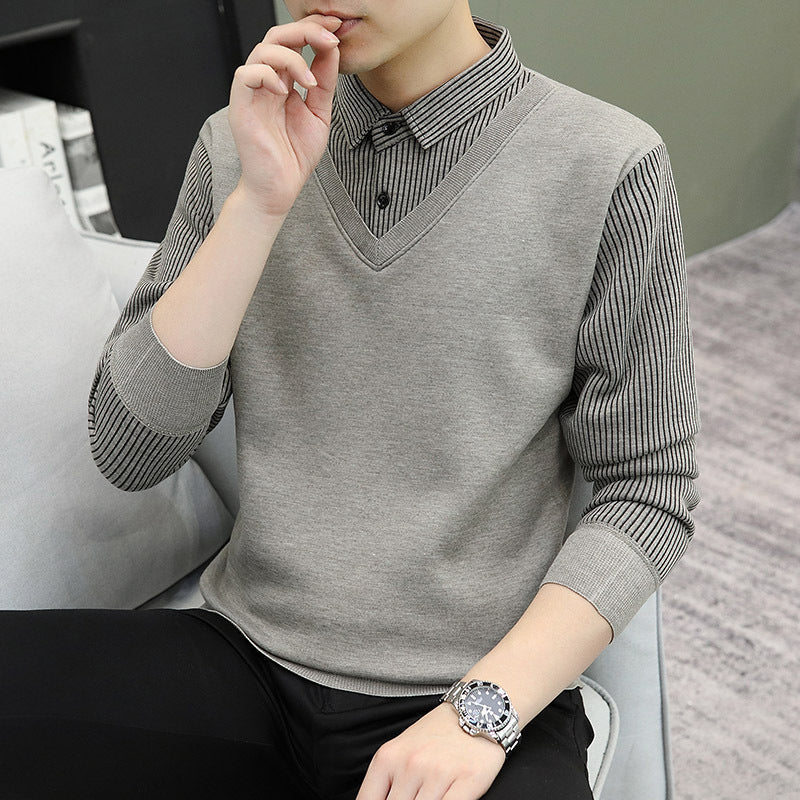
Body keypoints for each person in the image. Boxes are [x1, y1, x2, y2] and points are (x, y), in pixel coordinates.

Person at [0, 1, 701, 798]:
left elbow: (648, 491)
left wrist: (481, 713)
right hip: (243, 658)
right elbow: (132, 452)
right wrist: (257, 205)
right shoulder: (237, 144)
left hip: (468, 683)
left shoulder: (607, 164)